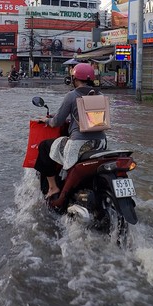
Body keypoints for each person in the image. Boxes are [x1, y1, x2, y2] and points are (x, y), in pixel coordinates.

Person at [34, 63, 107, 204]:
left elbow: (57, 122)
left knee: (44, 146)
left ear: (74, 79)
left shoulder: (72, 95)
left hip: (78, 144)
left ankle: (53, 187)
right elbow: (92, 118)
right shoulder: (100, 95)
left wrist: (46, 121)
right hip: (100, 143)